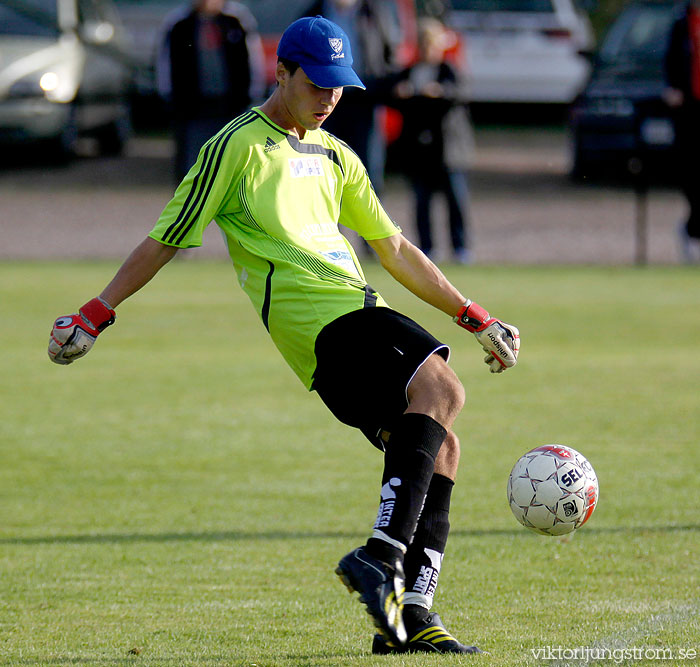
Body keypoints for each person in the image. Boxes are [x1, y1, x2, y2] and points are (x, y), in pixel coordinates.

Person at [47, 16, 520, 655]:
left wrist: (475, 315)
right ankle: (379, 555)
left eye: (340, 86)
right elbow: (167, 237)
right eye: (317, 83)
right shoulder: (237, 146)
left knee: (442, 449)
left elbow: (396, 249)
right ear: (283, 73)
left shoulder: (337, 155)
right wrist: (96, 312)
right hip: (323, 326)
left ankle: (409, 617)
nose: (330, 98)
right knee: (441, 387)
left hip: (352, 319)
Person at [391, 17, 473, 263]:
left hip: (448, 150)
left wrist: (440, 92)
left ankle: (460, 248)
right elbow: (392, 94)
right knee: (422, 202)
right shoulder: (410, 72)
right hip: (420, 151)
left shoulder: (449, 70)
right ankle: (427, 248)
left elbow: (461, 93)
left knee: (455, 200)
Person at [156, 0, 265, 181]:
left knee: (232, 163)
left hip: (231, 108)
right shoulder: (178, 23)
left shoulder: (237, 20)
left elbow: (253, 58)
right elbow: (164, 63)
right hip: (193, 111)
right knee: (193, 166)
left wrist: (253, 95)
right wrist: (169, 97)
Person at [301, 0, 400, 196]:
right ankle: (328, 223)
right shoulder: (315, 12)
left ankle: (369, 225)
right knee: (326, 166)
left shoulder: (373, 12)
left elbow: (389, 53)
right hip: (324, 100)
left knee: (368, 168)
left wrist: (384, 84)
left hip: (365, 99)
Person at [664, 0, 700, 263]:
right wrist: (673, 89)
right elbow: (671, 60)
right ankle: (692, 231)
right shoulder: (681, 23)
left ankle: (693, 229)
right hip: (689, 108)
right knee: (691, 174)